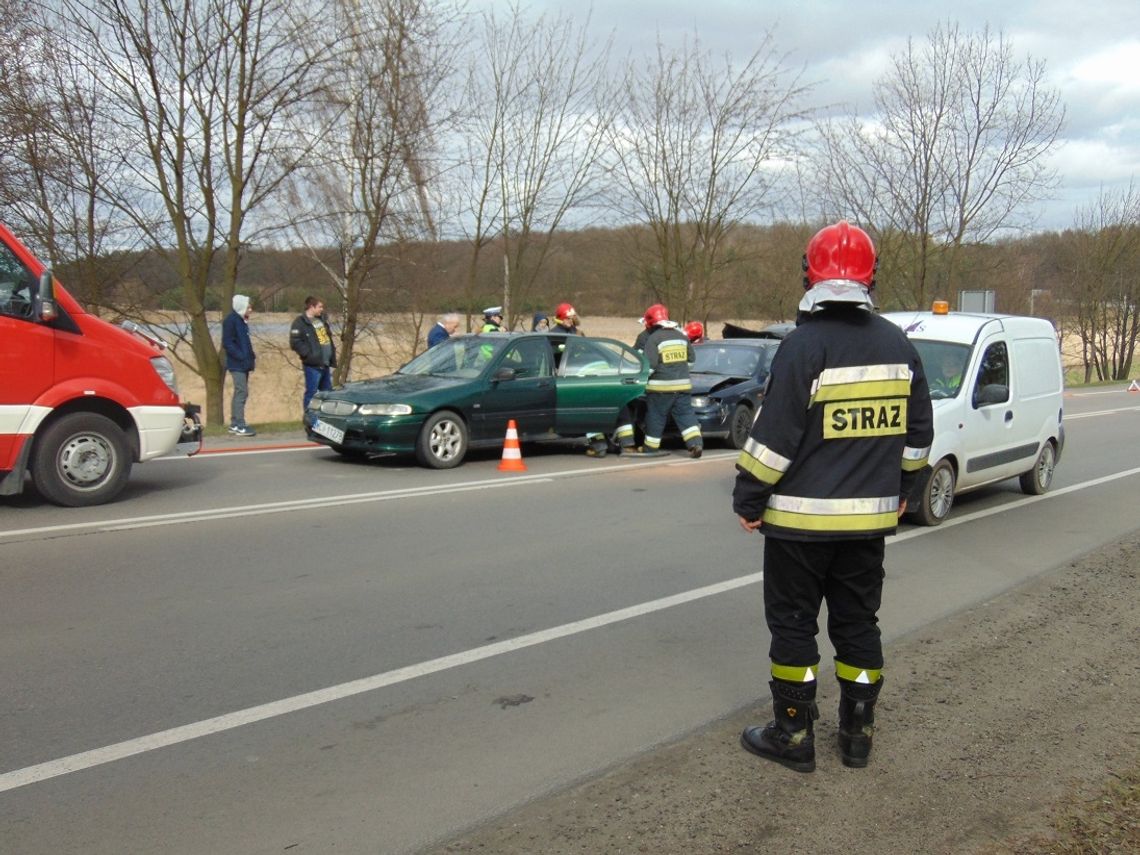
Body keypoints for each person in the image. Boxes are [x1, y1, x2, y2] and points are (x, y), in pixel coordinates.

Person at [732, 221, 934, 773]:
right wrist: (904, 492)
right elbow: (919, 437)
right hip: (868, 524)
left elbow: (772, 441)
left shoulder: (804, 346)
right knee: (857, 624)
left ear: (810, 274)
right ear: (870, 278)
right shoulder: (899, 344)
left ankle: (793, 738)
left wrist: (749, 501)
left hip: (800, 525)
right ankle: (857, 736)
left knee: (795, 624)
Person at [638, 303, 703, 458]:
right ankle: (695, 444)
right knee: (686, 415)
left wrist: (641, 379)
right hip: (683, 386)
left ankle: (650, 448)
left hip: (660, 389)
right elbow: (691, 361)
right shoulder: (681, 336)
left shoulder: (654, 339)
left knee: (656, 416)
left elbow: (651, 366)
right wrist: (677, 370)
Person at [290, 296, 337, 417]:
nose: (322, 309)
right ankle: (309, 418)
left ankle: (325, 418)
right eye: (320, 306)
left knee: (327, 394)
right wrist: (309, 355)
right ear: (312, 307)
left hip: (325, 363)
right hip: (312, 365)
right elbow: (295, 342)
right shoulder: (300, 322)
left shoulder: (321, 321)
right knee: (311, 392)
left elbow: (327, 339)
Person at [222, 294, 257, 436]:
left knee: (239, 392)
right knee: (242, 391)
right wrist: (241, 356)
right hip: (237, 363)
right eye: (248, 306)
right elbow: (228, 343)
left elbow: (245, 342)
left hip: (244, 363)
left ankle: (234, 424)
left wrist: (251, 355)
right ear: (242, 306)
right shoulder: (231, 321)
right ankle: (240, 425)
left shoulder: (242, 321)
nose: (251, 309)